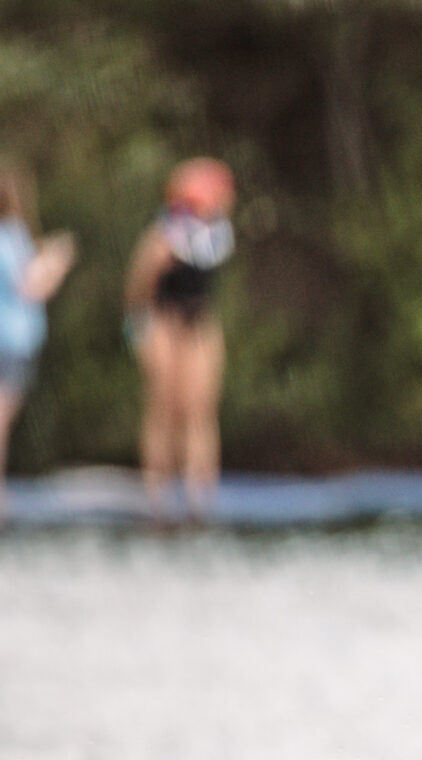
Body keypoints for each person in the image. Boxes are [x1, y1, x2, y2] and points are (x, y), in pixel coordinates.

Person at [125, 157, 235, 521]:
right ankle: (157, 493)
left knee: (199, 407)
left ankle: (199, 494)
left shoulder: (215, 232)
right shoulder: (164, 232)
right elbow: (140, 285)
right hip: (163, 319)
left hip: (198, 320)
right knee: (163, 405)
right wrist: (139, 326)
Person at [0, 161, 76, 518]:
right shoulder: (9, 234)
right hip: (11, 341)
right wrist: (57, 260)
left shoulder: (14, 236)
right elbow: (29, 285)